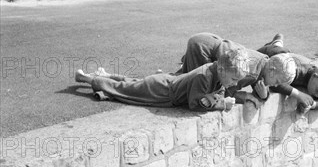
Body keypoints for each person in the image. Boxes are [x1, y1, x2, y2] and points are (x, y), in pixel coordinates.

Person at [179, 32, 318, 114]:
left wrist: (262, 96)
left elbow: (266, 84)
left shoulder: (263, 70)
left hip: (213, 47)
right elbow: (226, 90)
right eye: (317, 90)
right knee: (192, 90)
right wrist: (246, 97)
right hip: (203, 48)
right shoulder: (251, 72)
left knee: (190, 80)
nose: (275, 86)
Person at [75, 48, 250, 111]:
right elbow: (195, 104)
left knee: (132, 83)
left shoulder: (217, 73)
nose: (235, 84)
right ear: (221, 68)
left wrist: (219, 97)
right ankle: (86, 78)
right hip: (161, 91)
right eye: (234, 79)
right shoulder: (204, 77)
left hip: (165, 82)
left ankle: (104, 75)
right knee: (122, 90)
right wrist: (221, 104)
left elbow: (218, 91)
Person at [257, 34, 318, 114]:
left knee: (282, 50)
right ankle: (277, 42)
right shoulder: (299, 70)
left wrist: (312, 104)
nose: (317, 95)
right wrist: (298, 94)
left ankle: (277, 42)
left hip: (288, 57)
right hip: (274, 55)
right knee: (277, 51)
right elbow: (275, 82)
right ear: (315, 76)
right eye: (317, 91)